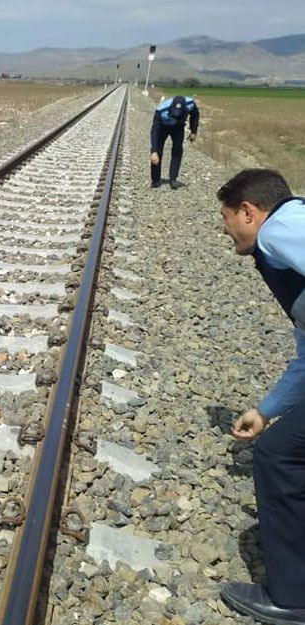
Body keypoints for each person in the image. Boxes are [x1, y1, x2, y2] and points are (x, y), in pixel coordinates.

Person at [217, 168, 305, 624]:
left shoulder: (279, 229)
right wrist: (266, 410)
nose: (226, 230)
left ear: (249, 213)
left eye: (227, 218)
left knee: (278, 456)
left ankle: (292, 599)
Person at [150, 94, 199, 190]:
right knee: (157, 152)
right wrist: (154, 151)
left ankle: (173, 179)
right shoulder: (161, 110)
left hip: (178, 127)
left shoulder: (190, 104)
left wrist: (194, 131)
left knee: (177, 150)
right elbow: (154, 132)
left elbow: (195, 114)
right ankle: (155, 180)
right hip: (163, 126)